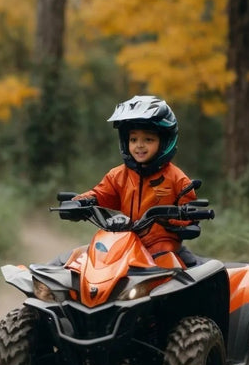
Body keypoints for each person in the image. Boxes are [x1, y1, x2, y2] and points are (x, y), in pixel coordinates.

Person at [73, 95, 197, 260]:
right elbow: (100, 194)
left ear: (165, 142)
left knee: (172, 264)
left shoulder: (178, 179)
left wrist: (175, 218)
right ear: (125, 141)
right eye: (133, 139)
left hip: (162, 246)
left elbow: (191, 216)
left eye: (148, 139)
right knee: (81, 257)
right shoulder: (118, 175)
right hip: (124, 242)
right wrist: (80, 202)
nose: (139, 145)